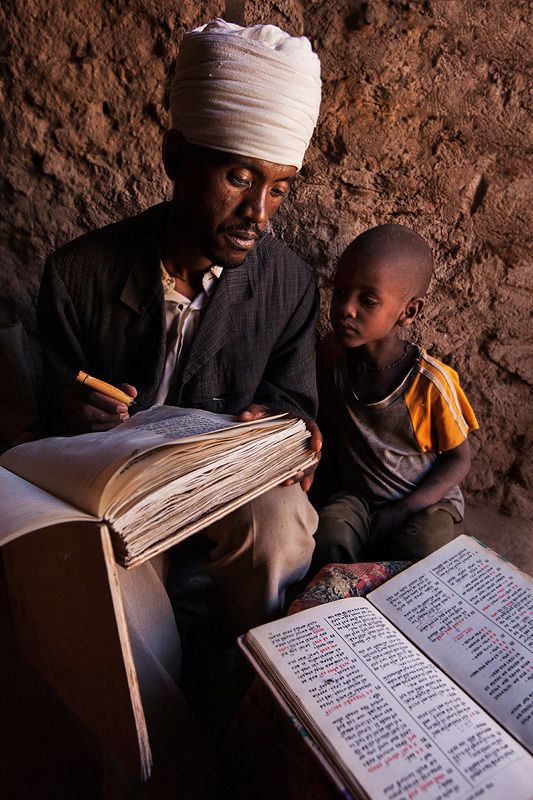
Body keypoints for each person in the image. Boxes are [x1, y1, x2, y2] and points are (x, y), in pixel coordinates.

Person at [37, 19, 322, 752]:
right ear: (175, 158)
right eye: (237, 177)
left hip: (221, 491)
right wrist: (69, 410)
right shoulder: (78, 275)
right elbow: (41, 413)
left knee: (283, 525)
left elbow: (298, 403)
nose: (258, 214)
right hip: (122, 498)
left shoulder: (286, 284)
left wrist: (283, 426)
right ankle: (160, 740)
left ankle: (248, 677)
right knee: (105, 587)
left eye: (278, 189)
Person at [312, 223, 478, 570]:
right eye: (339, 292)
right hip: (359, 496)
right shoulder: (332, 359)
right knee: (328, 537)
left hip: (424, 500)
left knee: (420, 548)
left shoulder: (429, 382)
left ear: (410, 312)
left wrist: (403, 509)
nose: (345, 309)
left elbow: (459, 459)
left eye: (367, 300)